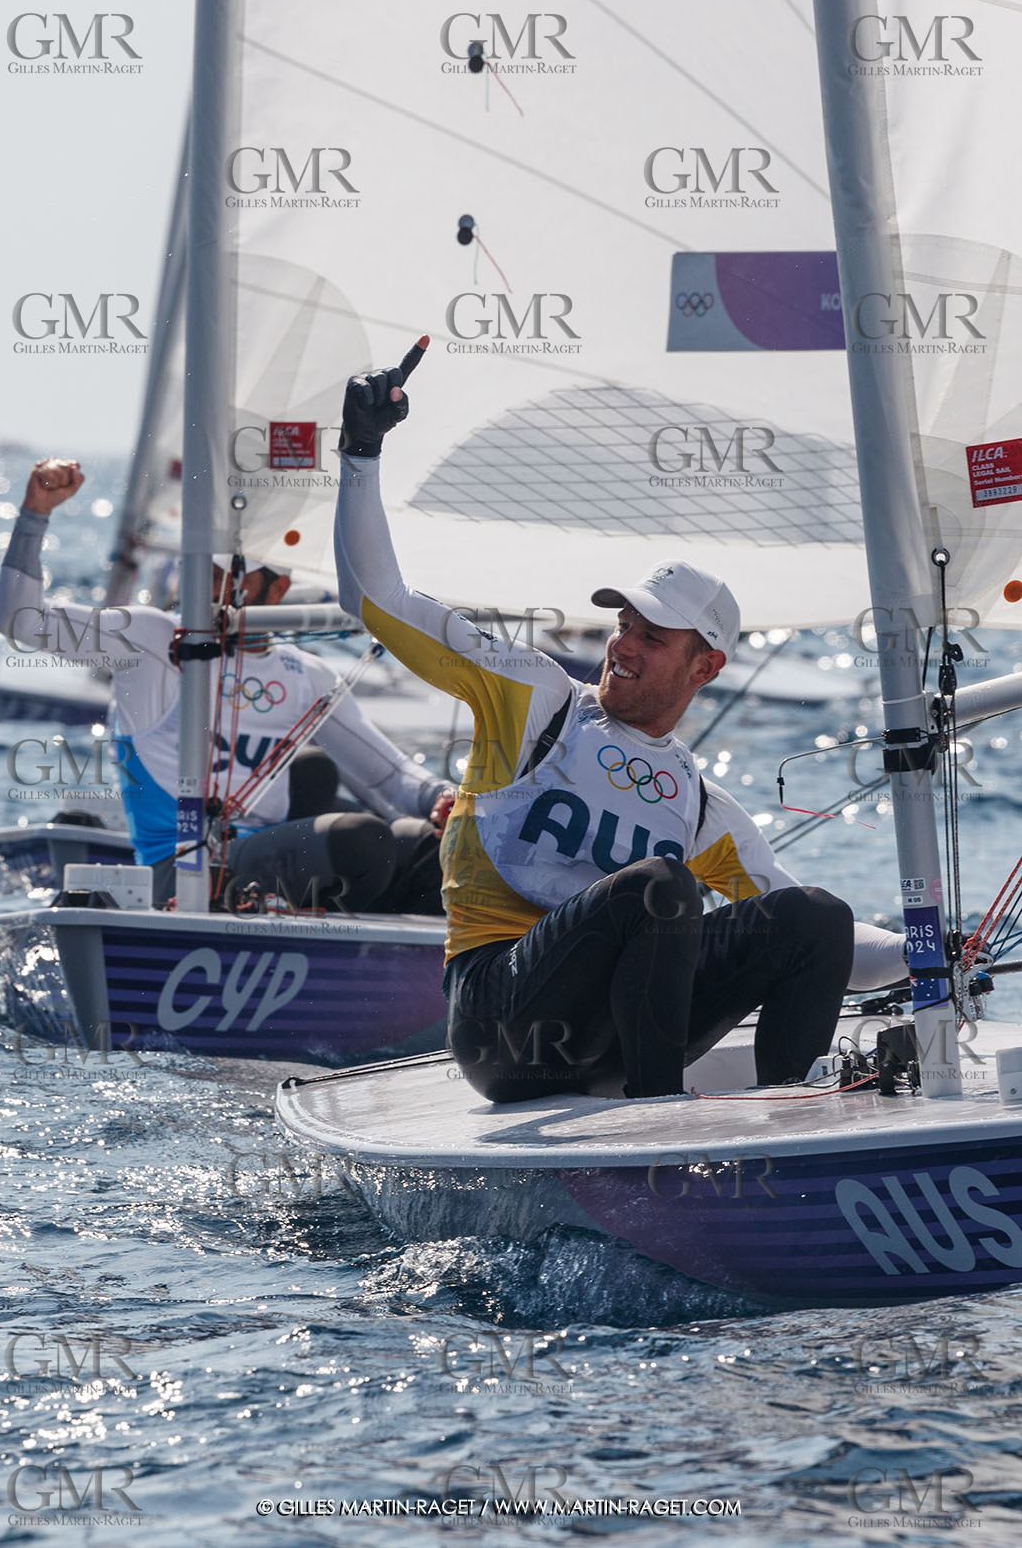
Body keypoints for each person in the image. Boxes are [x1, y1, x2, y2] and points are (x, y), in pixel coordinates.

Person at [333, 339, 908, 1102]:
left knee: (811, 914)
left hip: (612, 1034)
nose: (622, 645)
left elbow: (837, 950)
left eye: (651, 636)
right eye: (623, 624)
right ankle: (659, 1116)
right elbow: (373, 599)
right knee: (659, 885)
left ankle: (794, 1109)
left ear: (704, 667)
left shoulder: (698, 805)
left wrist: (930, 953)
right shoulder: (531, 698)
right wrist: (361, 449)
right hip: (501, 1025)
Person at [0, 457, 454, 913]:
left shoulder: (307, 676)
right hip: (179, 871)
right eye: (206, 576)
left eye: (228, 578)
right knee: (362, 842)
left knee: (438, 850)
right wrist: (35, 514)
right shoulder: (152, 640)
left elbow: (389, 777)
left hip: (266, 860)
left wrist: (443, 799)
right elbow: (21, 620)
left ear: (278, 591)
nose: (212, 592)